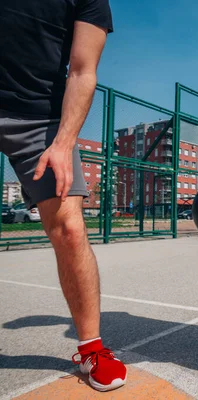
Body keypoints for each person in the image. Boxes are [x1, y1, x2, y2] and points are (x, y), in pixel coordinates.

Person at [0, 0, 126, 392]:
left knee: (70, 229)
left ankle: (91, 349)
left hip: (42, 118)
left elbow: (83, 69)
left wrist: (64, 140)